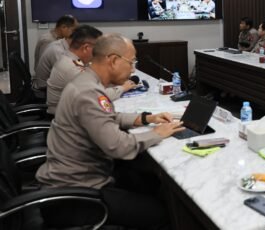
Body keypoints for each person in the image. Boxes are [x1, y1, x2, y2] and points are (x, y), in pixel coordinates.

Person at [36, 33, 185, 229]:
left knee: (146, 180)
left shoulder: (87, 83)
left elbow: (105, 119)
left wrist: (145, 118)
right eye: (131, 62)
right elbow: (118, 146)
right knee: (163, 214)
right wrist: (157, 133)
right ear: (113, 60)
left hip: (78, 181)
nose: (132, 69)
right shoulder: (88, 92)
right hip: (74, 197)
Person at [46, 25, 136, 115]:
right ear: (86, 48)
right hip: (63, 117)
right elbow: (100, 95)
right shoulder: (71, 67)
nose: (101, 51)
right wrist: (123, 87)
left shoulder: (73, 60)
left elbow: (98, 83)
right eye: (98, 47)